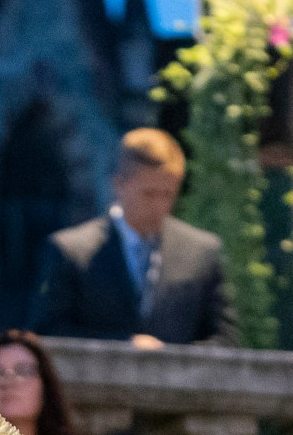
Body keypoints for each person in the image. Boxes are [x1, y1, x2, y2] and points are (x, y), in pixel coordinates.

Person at [29, 129, 236, 348]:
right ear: (119, 185)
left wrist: (169, 357)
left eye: (168, 194)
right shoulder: (70, 251)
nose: (160, 206)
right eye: (149, 194)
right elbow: (49, 333)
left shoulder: (202, 252)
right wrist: (125, 345)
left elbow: (226, 341)